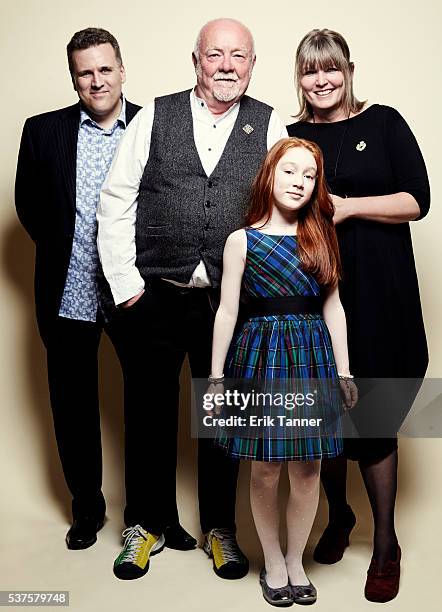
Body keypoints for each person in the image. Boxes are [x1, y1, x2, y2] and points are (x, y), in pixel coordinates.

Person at [97, 17, 288, 580]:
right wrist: (127, 286)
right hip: (154, 293)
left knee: (220, 415)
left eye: (238, 56)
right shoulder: (156, 114)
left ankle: (219, 529)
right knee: (147, 413)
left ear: (252, 64)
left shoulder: (270, 122)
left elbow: (284, 210)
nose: (226, 65)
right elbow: (116, 198)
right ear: (196, 60)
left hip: (230, 306)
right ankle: (144, 525)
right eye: (215, 55)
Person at [287, 28, 430, 603]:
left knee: (372, 414)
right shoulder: (290, 135)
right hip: (314, 294)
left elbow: (417, 199)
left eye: (331, 70)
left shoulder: (385, 122)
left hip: (383, 295)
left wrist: (347, 209)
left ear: (348, 71)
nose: (321, 81)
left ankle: (387, 545)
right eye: (309, 71)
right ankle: (340, 517)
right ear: (298, 77)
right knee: (323, 415)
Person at [209, 137, 357, 607]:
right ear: (269, 174)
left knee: (309, 469)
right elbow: (227, 311)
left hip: (312, 355)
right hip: (260, 357)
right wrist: (215, 378)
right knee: (266, 468)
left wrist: (345, 370)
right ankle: (272, 561)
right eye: (290, 171)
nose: (299, 182)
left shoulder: (322, 235)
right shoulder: (241, 240)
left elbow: (334, 308)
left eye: (310, 175)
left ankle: (296, 560)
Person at [15, 28, 141, 550]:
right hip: (67, 291)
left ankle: (149, 514)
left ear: (121, 70)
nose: (97, 80)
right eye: (85, 72)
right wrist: (73, 249)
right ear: (74, 78)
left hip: (135, 291)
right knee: (73, 404)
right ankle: (86, 508)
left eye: (105, 69)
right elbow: (28, 205)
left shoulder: (151, 125)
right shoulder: (43, 131)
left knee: (147, 404)